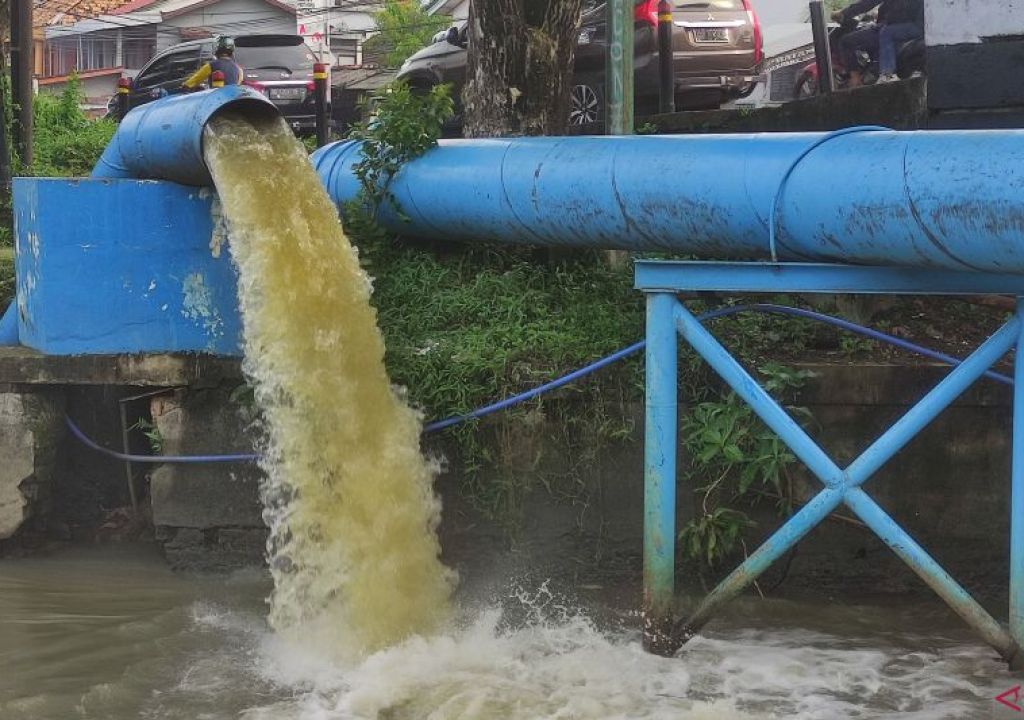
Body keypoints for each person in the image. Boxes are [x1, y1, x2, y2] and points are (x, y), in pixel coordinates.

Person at [832, 0, 924, 86]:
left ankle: (856, 80)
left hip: (894, 28)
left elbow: (868, 3)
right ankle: (875, 74)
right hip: (920, 30)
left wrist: (843, 14)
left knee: (846, 42)